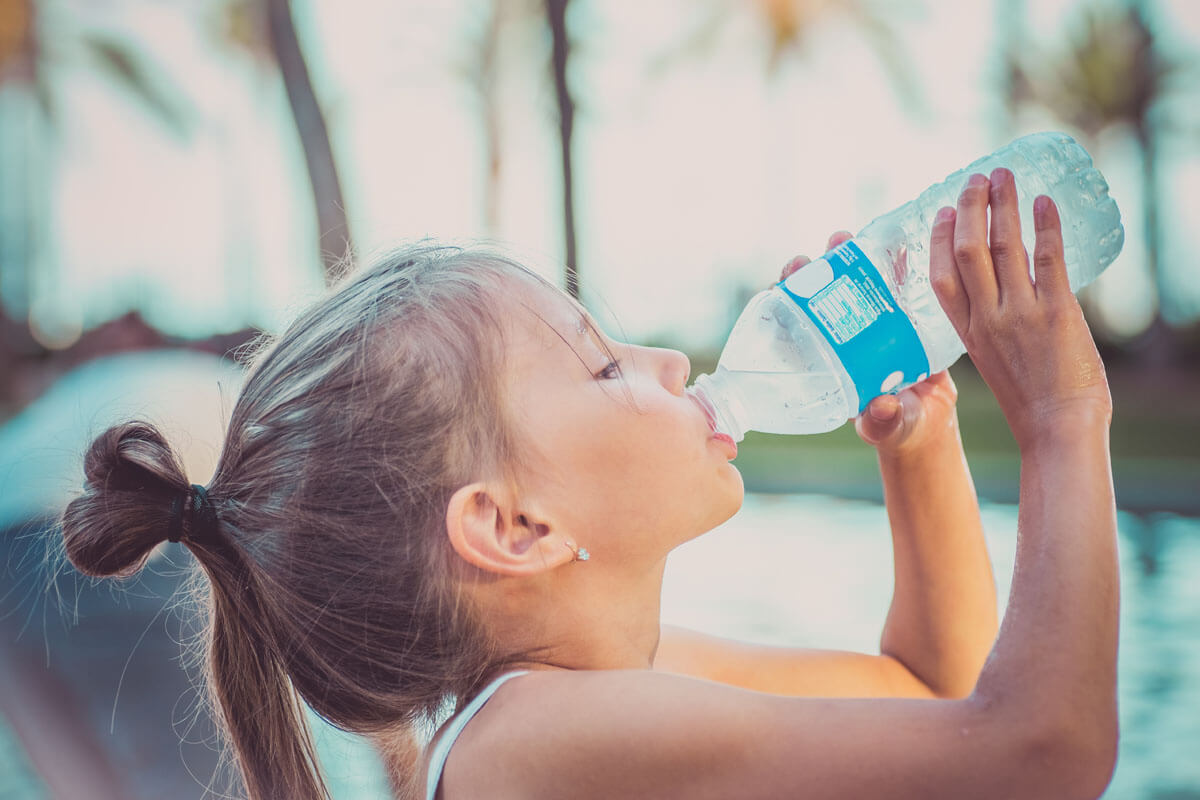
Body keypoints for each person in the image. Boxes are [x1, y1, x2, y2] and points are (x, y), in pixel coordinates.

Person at [60, 168, 1118, 800]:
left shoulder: (601, 692)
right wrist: (1065, 424)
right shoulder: (534, 738)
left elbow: (935, 695)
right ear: (512, 525)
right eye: (605, 364)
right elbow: (1044, 752)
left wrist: (918, 444)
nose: (667, 361)